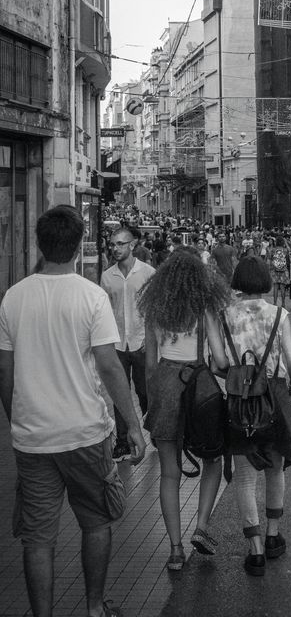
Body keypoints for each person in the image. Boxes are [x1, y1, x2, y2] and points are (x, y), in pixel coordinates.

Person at [0, 205, 146, 617]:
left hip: (33, 440)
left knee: (37, 538)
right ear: (80, 243)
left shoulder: (13, 297)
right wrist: (133, 425)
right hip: (85, 433)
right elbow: (109, 365)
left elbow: (4, 371)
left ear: (39, 244)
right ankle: (95, 608)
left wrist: (18, 419)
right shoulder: (91, 296)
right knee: (96, 522)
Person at [138, 248, 230, 570]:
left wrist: (153, 402)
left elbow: (149, 365)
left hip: (164, 385)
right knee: (213, 459)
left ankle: (175, 549)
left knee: (169, 472)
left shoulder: (155, 309)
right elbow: (219, 360)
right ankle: (201, 526)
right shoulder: (205, 307)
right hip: (199, 387)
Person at [213, 256, 291, 576]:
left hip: (240, 402)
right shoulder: (279, 315)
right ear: (265, 280)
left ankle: (255, 551)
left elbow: (217, 362)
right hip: (275, 397)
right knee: (276, 469)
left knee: (245, 478)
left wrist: (239, 377)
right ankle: (273, 535)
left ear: (237, 280)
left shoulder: (224, 316)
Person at [100, 229, 156, 460]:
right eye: (113, 244)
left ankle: (152, 432)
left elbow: (154, 309)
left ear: (132, 245)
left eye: (120, 244)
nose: (115, 248)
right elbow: (104, 311)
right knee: (119, 392)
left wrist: (152, 341)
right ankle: (122, 441)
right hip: (118, 344)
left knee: (145, 392)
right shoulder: (107, 276)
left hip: (141, 342)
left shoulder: (148, 273)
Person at [269, 235, 290, 308]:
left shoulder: (273, 250)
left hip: (275, 270)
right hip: (283, 270)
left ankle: (275, 303)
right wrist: (286, 243)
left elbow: (270, 257)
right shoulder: (284, 250)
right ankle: (283, 303)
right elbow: (289, 250)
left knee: (275, 287)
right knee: (282, 287)